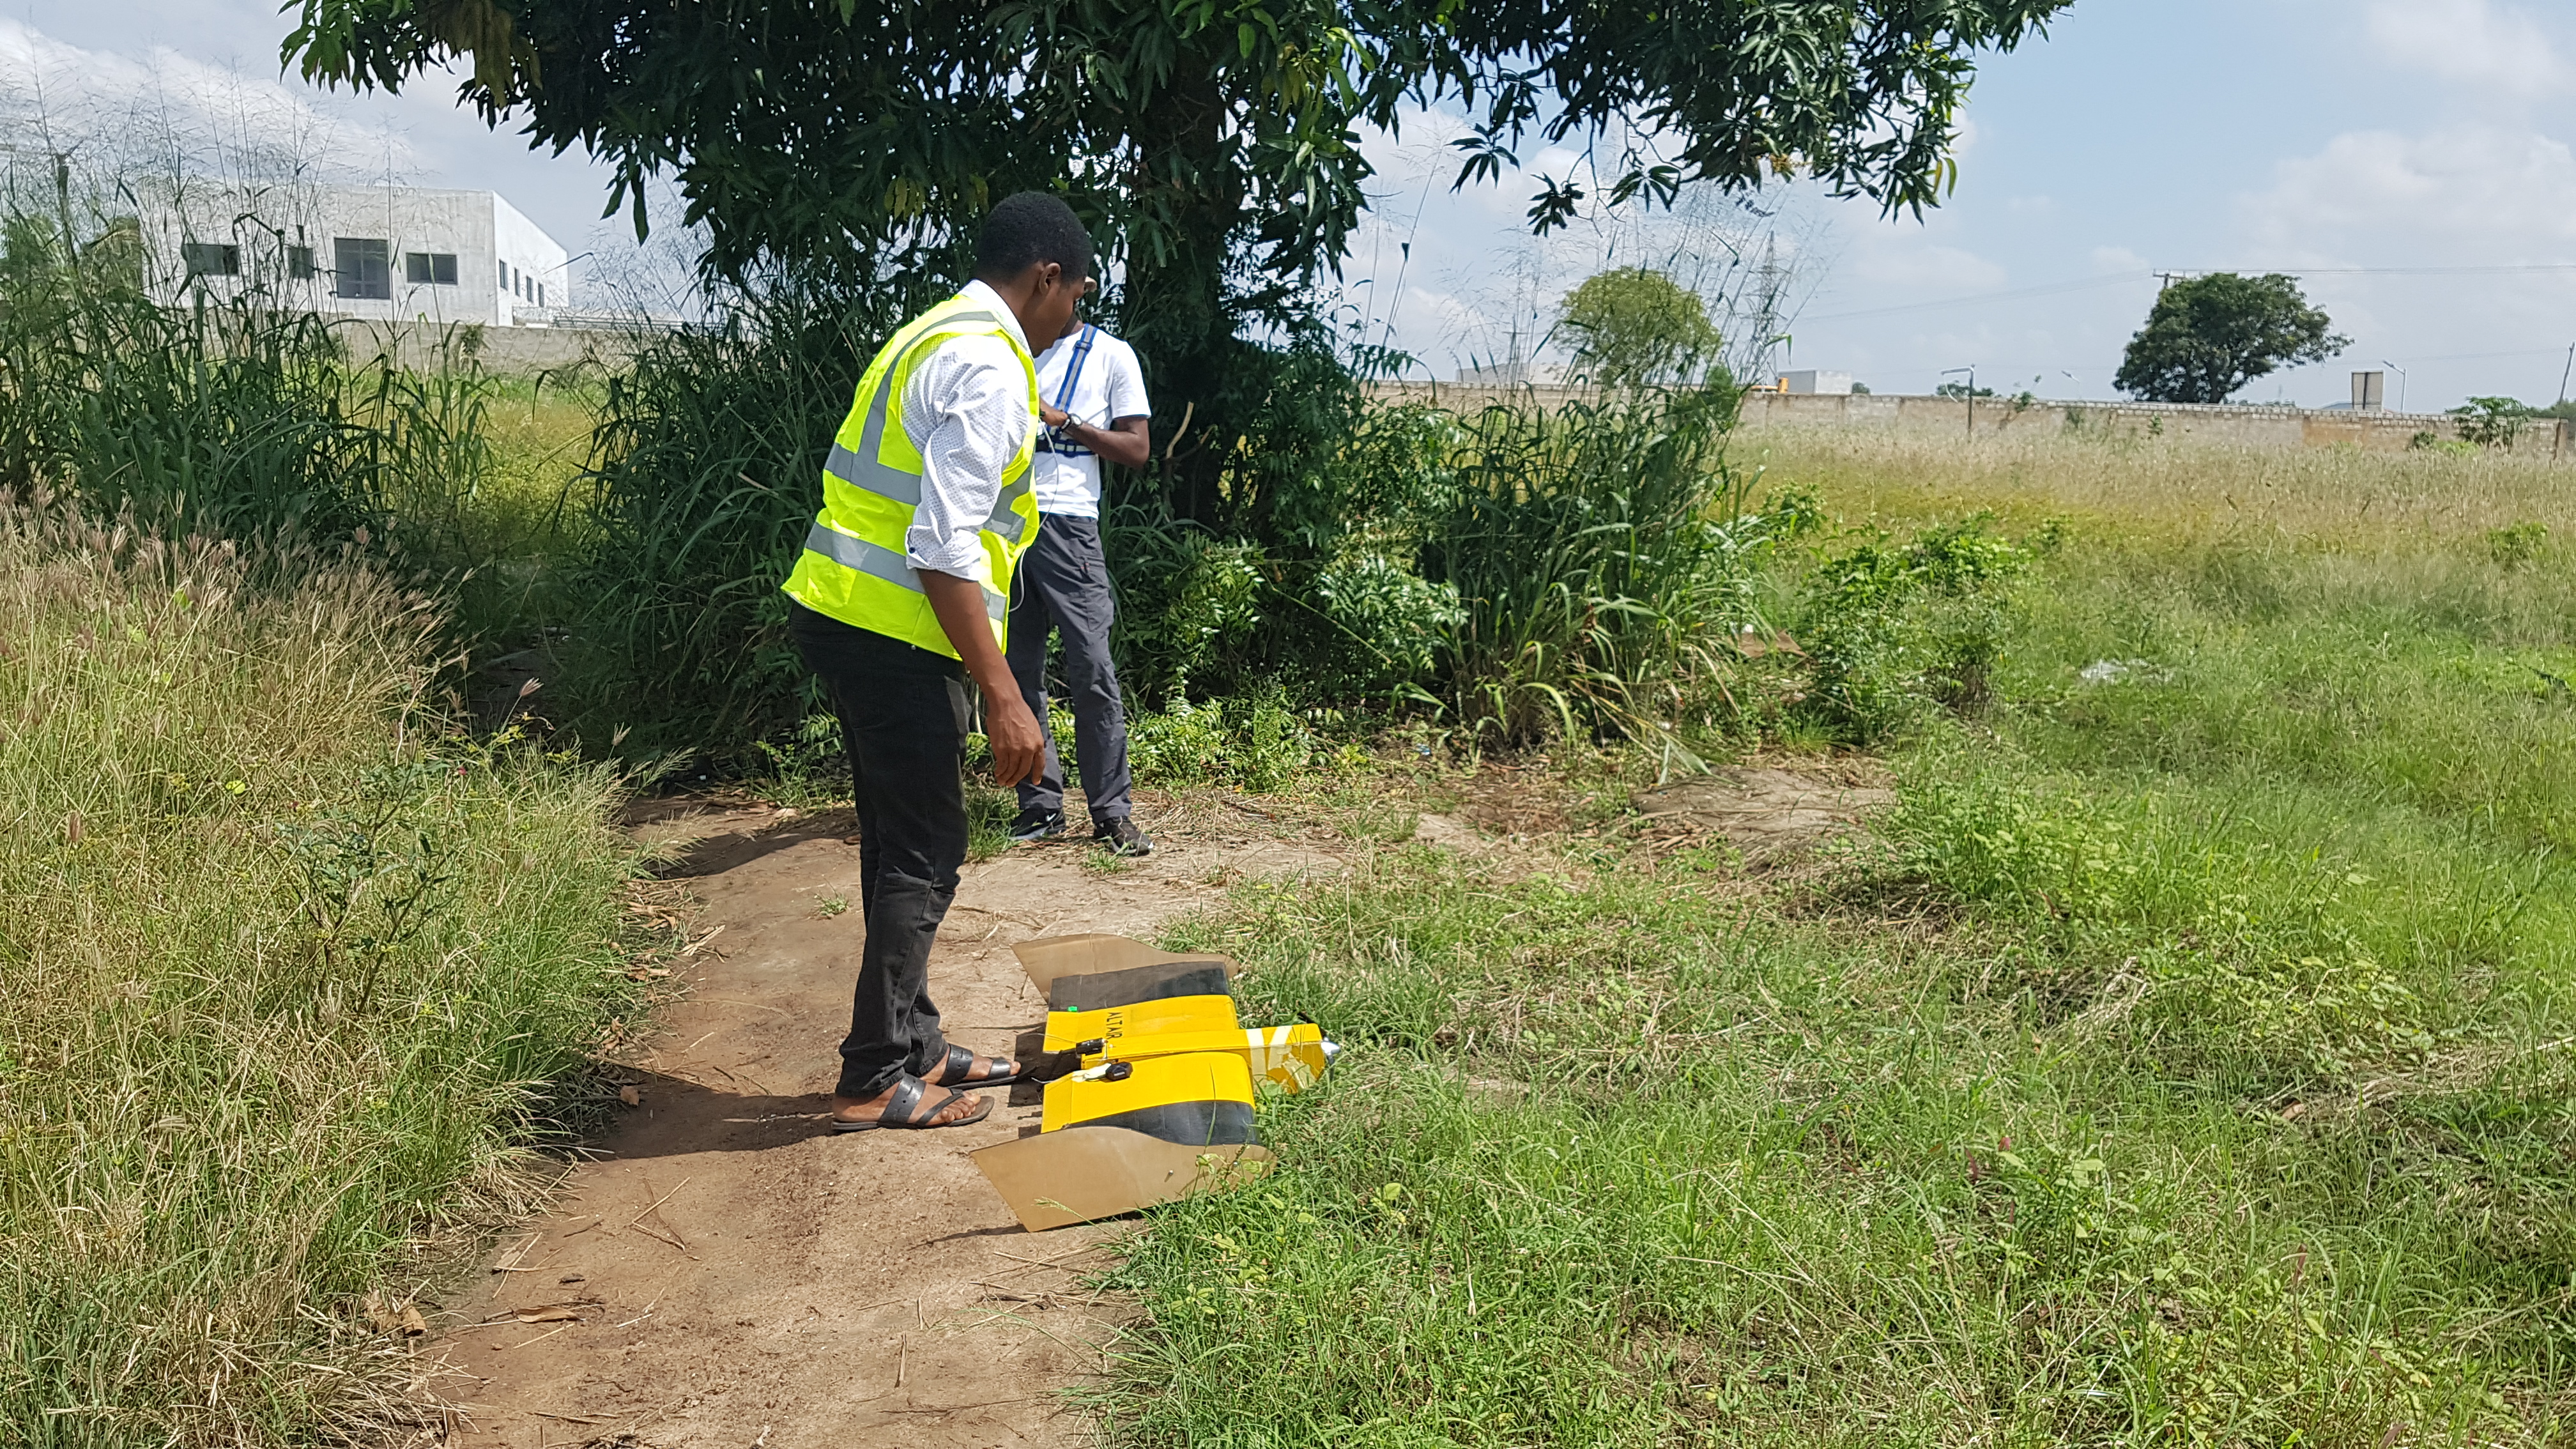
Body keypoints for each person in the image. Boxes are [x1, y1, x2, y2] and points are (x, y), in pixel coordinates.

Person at [779, 192, 1089, 1131]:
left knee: (897, 841)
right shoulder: (988, 367)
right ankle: (873, 1075)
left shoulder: (934, 331)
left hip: (852, 614)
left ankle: (913, 1041)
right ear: (1046, 279)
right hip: (894, 633)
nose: (1073, 318)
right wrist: (1006, 694)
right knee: (925, 850)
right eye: (1076, 298)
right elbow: (943, 546)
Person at [1004, 307, 1154, 856]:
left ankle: (1112, 813)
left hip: (1069, 524)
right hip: (1006, 524)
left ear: (1072, 288)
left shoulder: (1111, 355)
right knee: (1019, 672)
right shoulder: (1009, 345)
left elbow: (1137, 449)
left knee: (1092, 667)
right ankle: (1040, 805)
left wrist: (1064, 421)